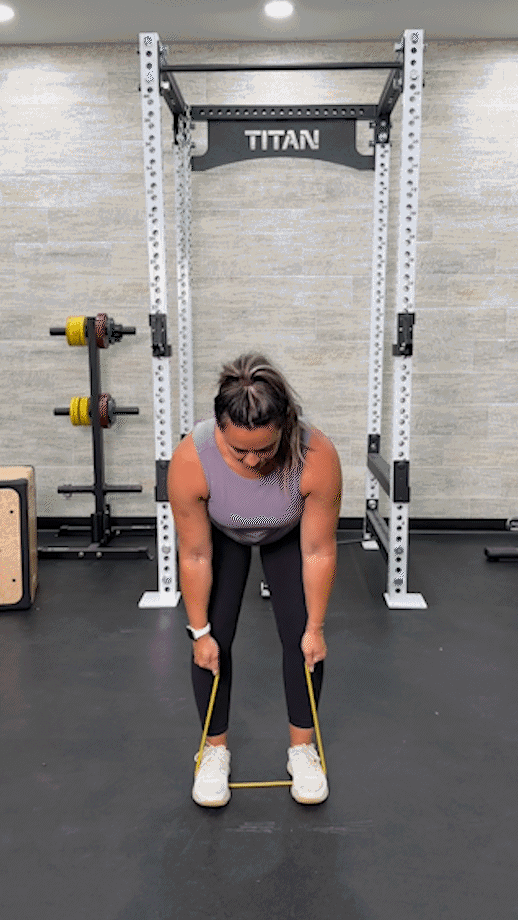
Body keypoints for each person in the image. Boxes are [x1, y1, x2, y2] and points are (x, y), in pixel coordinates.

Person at [167, 353, 342, 807]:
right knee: (213, 643)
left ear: (285, 426)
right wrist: (199, 631)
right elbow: (195, 552)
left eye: (263, 450)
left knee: (301, 638)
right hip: (222, 536)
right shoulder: (192, 458)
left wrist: (316, 628)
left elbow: (318, 549)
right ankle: (213, 751)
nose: (250, 460)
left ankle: (303, 750)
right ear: (219, 428)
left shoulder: (316, 455)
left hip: (288, 535)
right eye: (236, 449)